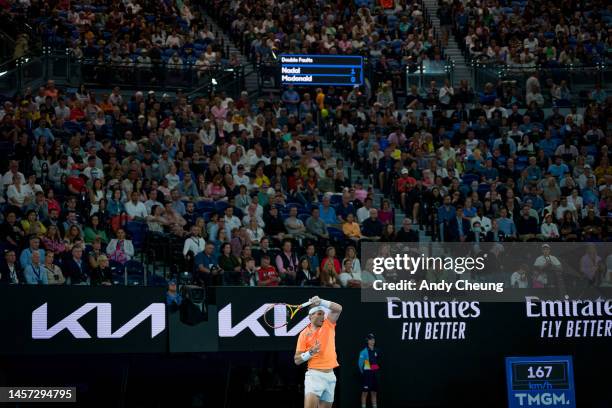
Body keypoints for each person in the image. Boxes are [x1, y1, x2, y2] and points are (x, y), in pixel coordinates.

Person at [294, 296, 343, 408]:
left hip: (330, 377)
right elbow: (297, 360)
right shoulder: (303, 334)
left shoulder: (329, 324)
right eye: (319, 314)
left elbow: (338, 308)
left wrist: (321, 301)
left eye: (323, 314)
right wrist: (310, 353)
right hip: (314, 376)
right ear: (310, 316)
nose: (323, 316)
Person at [358, 333, 381, 408]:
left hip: (375, 375)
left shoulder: (377, 351)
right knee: (365, 393)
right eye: (371, 339)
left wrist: (376, 371)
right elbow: (360, 365)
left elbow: (378, 362)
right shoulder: (364, 352)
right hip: (367, 375)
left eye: (373, 339)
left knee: (374, 393)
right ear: (367, 341)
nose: (372, 341)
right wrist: (365, 373)